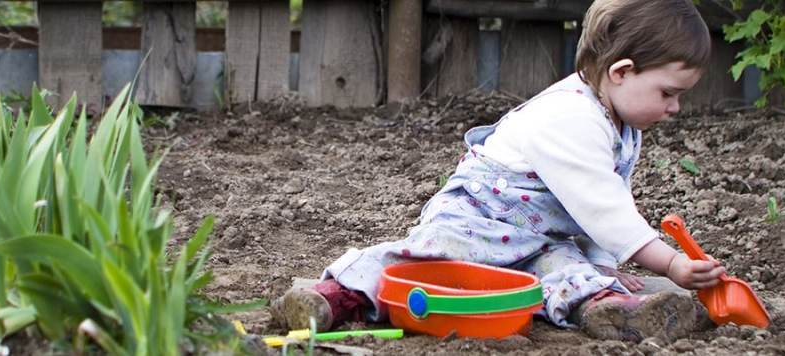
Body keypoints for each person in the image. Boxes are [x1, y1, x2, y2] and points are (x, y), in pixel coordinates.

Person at [271, 0, 725, 342]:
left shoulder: (623, 125)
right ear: (622, 71)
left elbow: (604, 206)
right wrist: (669, 262)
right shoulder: (572, 117)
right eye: (668, 93)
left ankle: (610, 306)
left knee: (563, 266)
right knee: (425, 260)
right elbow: (604, 208)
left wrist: (604, 266)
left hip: (535, 241)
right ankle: (334, 297)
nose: (675, 108)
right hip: (476, 220)